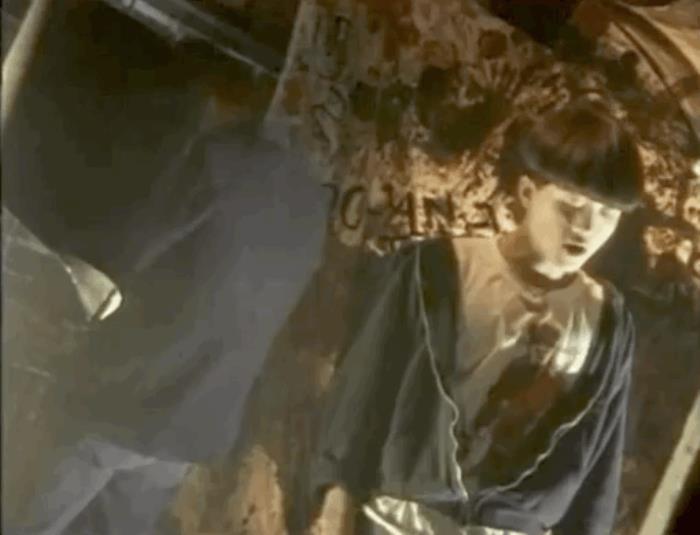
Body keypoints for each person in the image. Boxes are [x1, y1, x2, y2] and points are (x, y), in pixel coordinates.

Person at [309, 98, 642, 535]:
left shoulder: (607, 322)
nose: (586, 227)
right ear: (528, 193)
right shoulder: (440, 268)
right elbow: (367, 386)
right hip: (401, 520)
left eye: (606, 215)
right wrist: (337, 499)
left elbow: (599, 463)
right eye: (570, 205)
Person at [8, 119, 329, 535]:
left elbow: (126, 251)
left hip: (128, 398)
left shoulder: (218, 162)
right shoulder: (312, 206)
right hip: (195, 425)